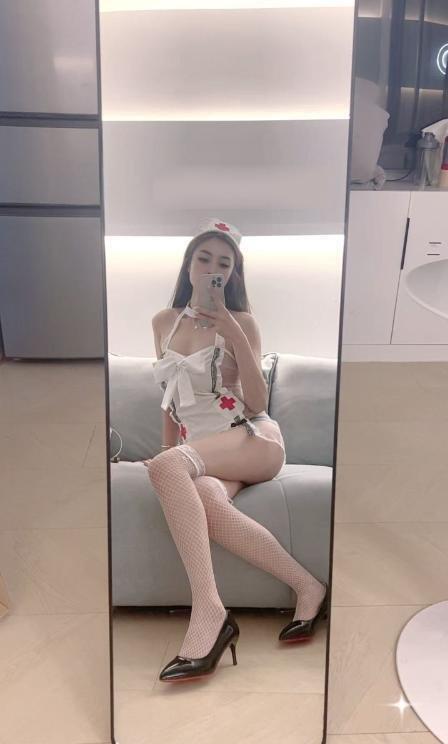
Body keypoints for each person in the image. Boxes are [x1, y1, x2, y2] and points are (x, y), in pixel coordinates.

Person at [144, 218, 328, 683]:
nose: (212, 269)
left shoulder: (242, 322)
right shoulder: (163, 322)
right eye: (203, 258)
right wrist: (167, 453)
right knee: (204, 496)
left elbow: (259, 402)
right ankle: (308, 587)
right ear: (188, 265)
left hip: (252, 439)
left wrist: (232, 330)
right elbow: (169, 396)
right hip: (207, 452)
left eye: (224, 263)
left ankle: (209, 612)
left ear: (233, 274)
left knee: (171, 467)